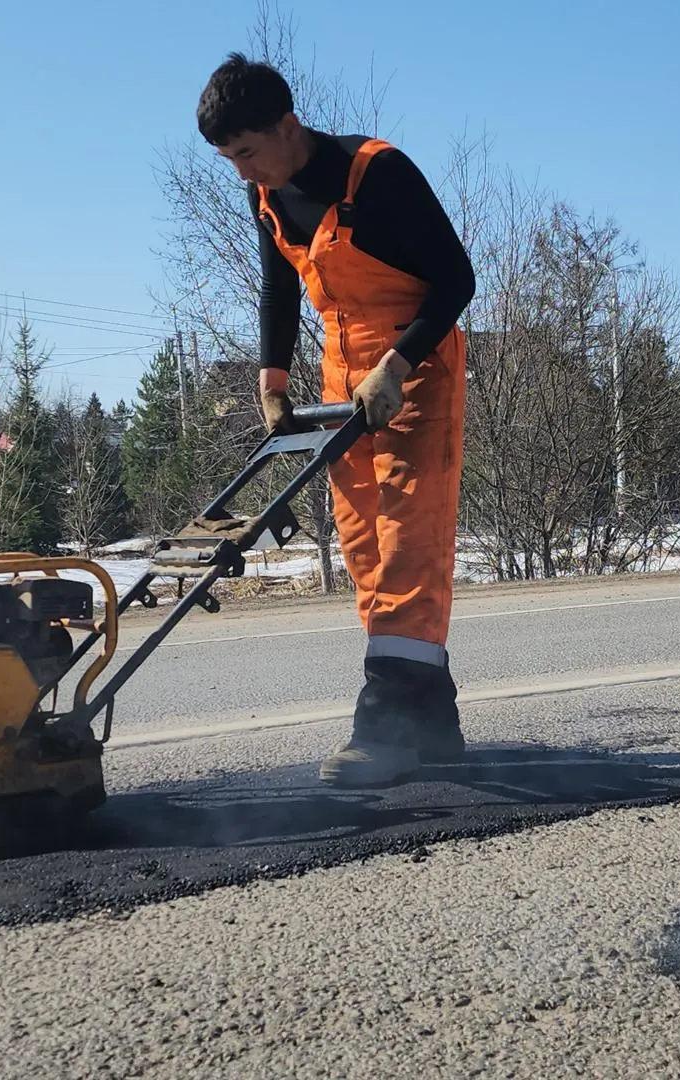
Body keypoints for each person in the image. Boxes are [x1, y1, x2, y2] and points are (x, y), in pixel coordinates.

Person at [197, 53, 476, 788]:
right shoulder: (266, 195)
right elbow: (278, 287)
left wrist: (400, 363)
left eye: (247, 152)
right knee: (361, 548)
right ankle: (432, 721)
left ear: (287, 126)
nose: (241, 172)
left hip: (415, 368)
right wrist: (272, 376)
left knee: (407, 541)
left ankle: (384, 725)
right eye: (229, 159)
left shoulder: (376, 173)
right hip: (338, 377)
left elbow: (457, 277)